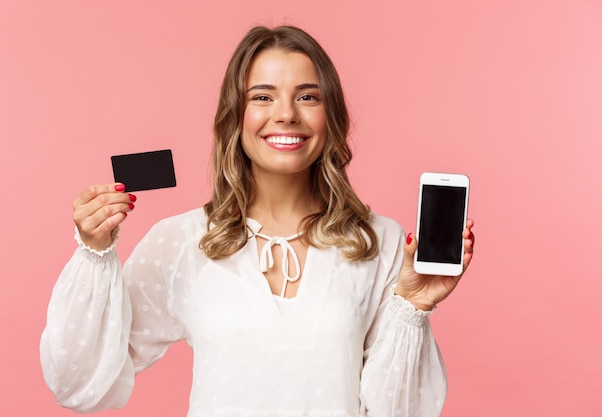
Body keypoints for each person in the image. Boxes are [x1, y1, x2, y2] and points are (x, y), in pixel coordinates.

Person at [40, 25, 475, 417]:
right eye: (262, 96)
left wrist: (413, 306)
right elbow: (81, 385)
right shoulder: (183, 240)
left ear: (332, 116)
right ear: (236, 117)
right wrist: (95, 252)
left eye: (307, 96)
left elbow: (400, 413)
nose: (286, 113)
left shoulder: (378, 241)